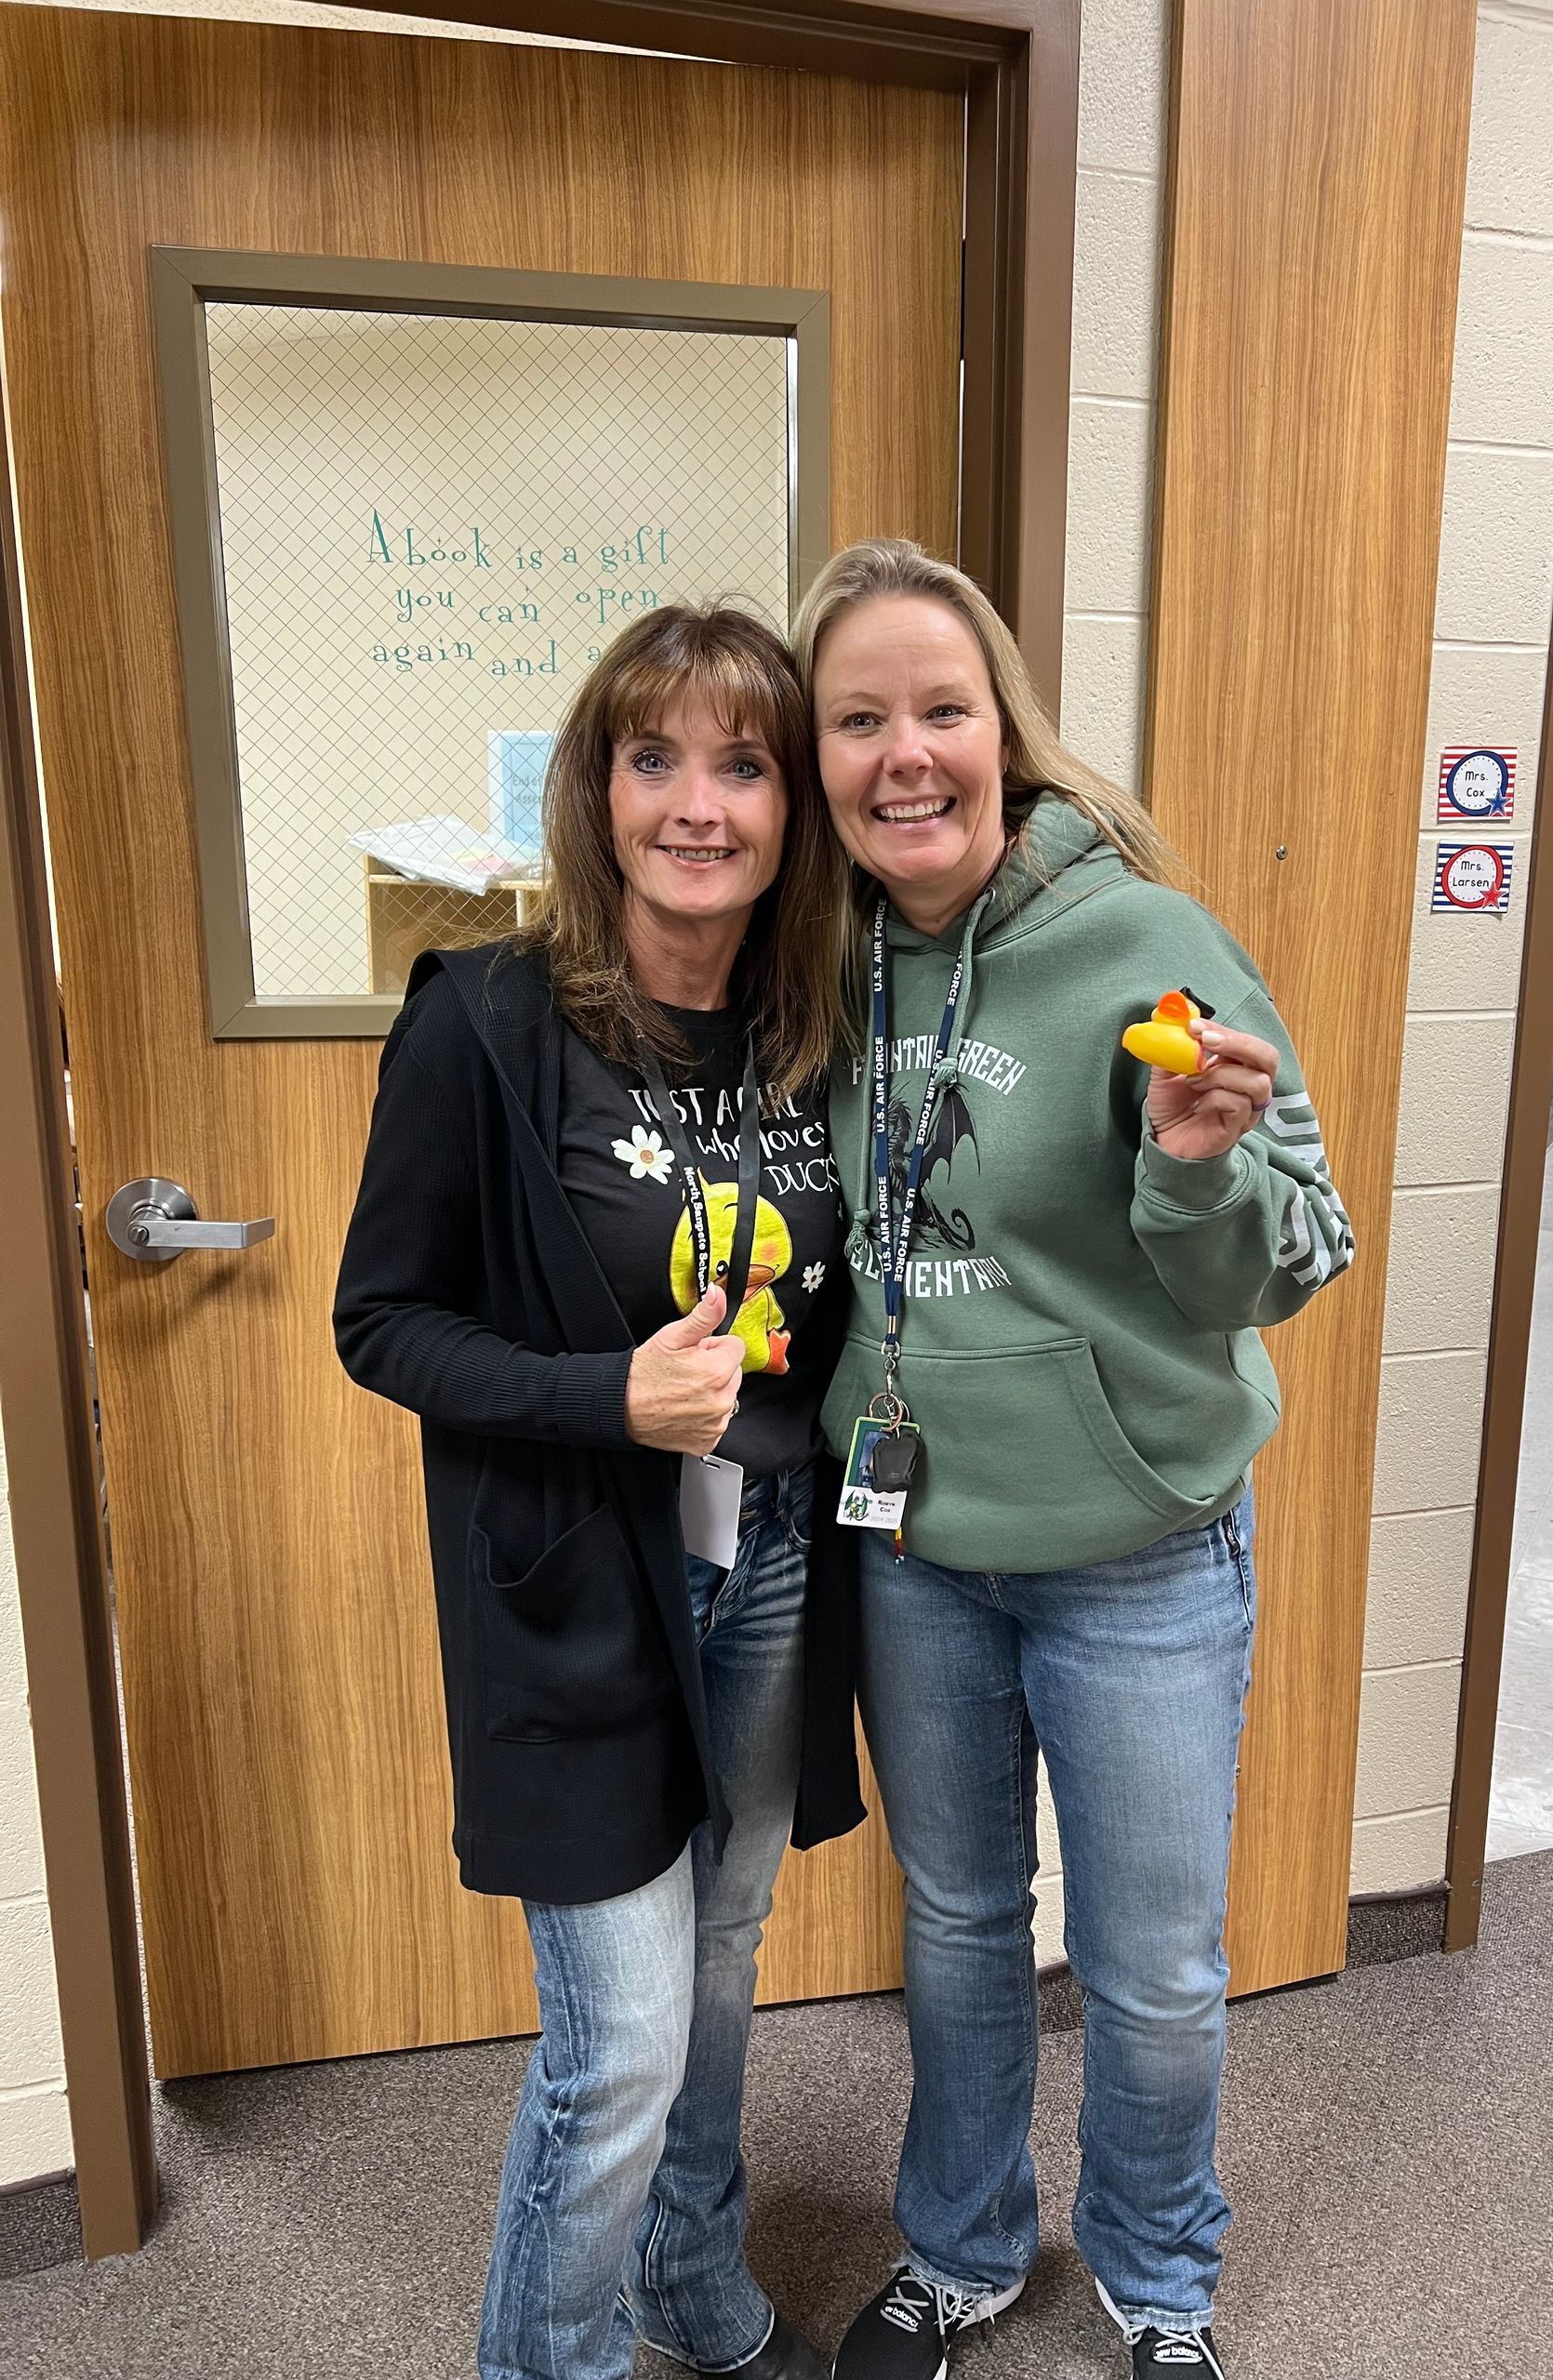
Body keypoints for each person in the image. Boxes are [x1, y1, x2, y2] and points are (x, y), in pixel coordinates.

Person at [791, 542, 1356, 2380]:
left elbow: (1291, 1254)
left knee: (1156, 1966)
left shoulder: (1145, 939)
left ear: (1006, 730)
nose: (906, 755)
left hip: (1137, 1545)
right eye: (858, 717)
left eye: (941, 710)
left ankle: (1159, 2271)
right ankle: (957, 2246)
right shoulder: (822, 956)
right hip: (915, 1542)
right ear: (816, 756)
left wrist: (1191, 1162)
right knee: (957, 1931)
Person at [334, 604, 859, 2380]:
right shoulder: (486, 1023)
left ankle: (692, 2290)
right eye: (656, 760)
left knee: (722, 1966)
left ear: (794, 807)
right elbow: (382, 1322)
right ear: (597, 786)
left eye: (744, 765)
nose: (697, 805)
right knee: (618, 2045)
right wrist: (603, 1397)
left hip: (776, 1566)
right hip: (581, 1586)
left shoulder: (815, 1032)